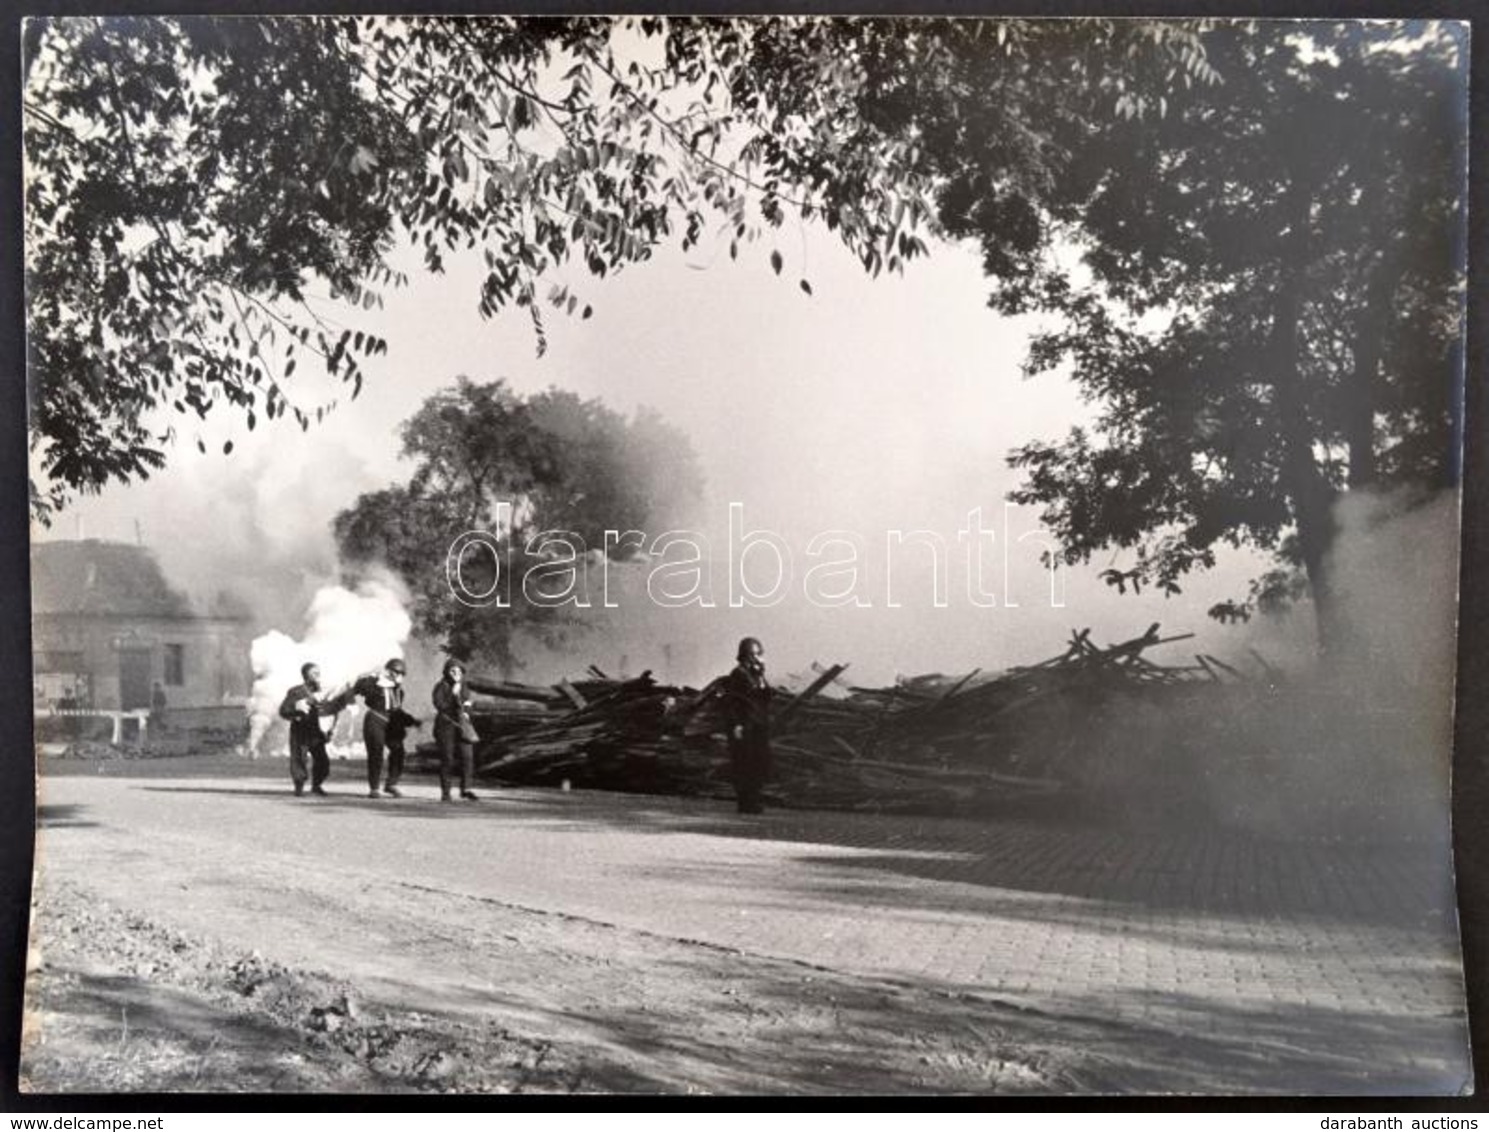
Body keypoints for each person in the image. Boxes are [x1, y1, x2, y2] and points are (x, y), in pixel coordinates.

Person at [348, 658, 422, 798]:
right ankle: (374, 788)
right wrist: (373, 677)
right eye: (395, 672)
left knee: (398, 751)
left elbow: (397, 711)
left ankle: (391, 784)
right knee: (376, 753)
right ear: (388, 671)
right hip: (375, 720)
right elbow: (359, 687)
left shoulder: (399, 692)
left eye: (401, 673)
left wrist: (412, 721)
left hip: (392, 724)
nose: (398, 675)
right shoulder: (375, 684)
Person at [722, 636, 774, 814]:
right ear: (750, 656)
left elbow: (767, 696)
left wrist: (761, 676)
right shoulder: (738, 674)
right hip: (744, 725)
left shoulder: (756, 675)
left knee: (759, 762)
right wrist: (736, 724)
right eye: (759, 654)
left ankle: (754, 799)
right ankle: (746, 802)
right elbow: (731, 702)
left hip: (758, 724)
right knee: (744, 763)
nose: (762, 658)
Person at [278, 662, 344, 796]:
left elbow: (330, 712)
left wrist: (330, 727)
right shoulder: (296, 691)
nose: (318, 676)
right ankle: (299, 786)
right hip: (300, 730)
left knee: (323, 762)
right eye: (314, 673)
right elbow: (283, 710)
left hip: (316, 731)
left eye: (319, 673)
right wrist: (296, 708)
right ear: (305, 676)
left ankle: (316, 785)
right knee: (299, 759)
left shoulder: (324, 691)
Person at [432, 659, 480, 802]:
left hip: (462, 726)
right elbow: (440, 706)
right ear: (446, 672)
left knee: (468, 756)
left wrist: (467, 712)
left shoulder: (464, 687)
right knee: (447, 758)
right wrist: (452, 695)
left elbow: (469, 703)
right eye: (452, 671)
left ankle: (466, 788)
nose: (456, 674)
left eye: (459, 671)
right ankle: (446, 792)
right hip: (445, 726)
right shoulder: (441, 687)